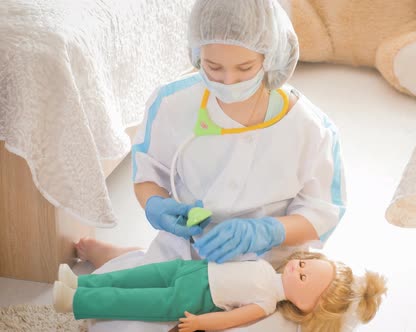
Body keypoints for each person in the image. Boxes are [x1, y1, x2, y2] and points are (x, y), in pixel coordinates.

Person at [79, 0, 346, 269]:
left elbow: (322, 213)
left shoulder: (310, 128)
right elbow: (148, 175)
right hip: (191, 248)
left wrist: (266, 231)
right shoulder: (172, 104)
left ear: (270, 57)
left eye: (245, 68)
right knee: (152, 295)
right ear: (196, 53)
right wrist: (156, 205)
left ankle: (127, 256)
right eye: (213, 67)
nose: (228, 81)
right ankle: (128, 257)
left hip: (273, 260)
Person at [54, 252, 386, 332]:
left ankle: (74, 301)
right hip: (192, 269)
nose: (297, 267)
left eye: (303, 278)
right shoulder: (267, 263)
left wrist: (199, 323)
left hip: (190, 300)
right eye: (303, 263)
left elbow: (232, 318)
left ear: (302, 304)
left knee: (134, 301)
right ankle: (82, 283)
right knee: (136, 277)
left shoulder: (266, 302)